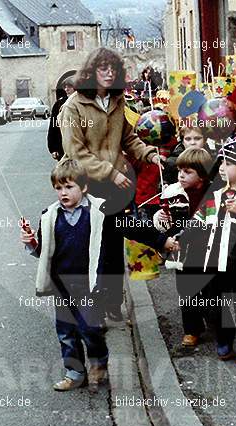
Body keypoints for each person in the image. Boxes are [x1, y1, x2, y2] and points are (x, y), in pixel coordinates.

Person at [20, 160, 178, 391]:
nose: (63, 193)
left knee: (90, 329)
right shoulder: (49, 216)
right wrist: (32, 242)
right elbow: (44, 251)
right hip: (61, 284)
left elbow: (133, 227)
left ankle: (99, 361)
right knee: (66, 331)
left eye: (69, 187)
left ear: (83, 188)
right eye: (58, 188)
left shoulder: (102, 211)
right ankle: (74, 373)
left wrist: (163, 241)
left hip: (89, 284)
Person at [59, 47, 164, 322]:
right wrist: (110, 172)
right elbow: (75, 152)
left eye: (113, 68)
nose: (109, 73)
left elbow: (128, 138)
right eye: (102, 68)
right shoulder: (73, 106)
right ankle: (92, 305)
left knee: (115, 244)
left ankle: (113, 302)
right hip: (88, 186)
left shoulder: (118, 102)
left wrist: (149, 154)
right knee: (94, 247)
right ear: (91, 72)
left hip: (118, 187)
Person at [182, 135, 236, 365]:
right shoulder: (216, 190)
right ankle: (224, 339)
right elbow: (201, 217)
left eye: (228, 163)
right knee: (214, 302)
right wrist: (184, 236)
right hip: (215, 256)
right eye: (220, 162)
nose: (221, 168)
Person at [153, 148, 215, 347]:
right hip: (181, 252)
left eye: (188, 172)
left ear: (202, 176)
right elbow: (166, 223)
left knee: (210, 290)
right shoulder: (173, 192)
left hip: (206, 251)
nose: (181, 175)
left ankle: (214, 321)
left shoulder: (211, 194)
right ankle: (192, 329)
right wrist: (160, 219)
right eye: (180, 170)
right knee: (187, 291)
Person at [48, 77, 75, 160]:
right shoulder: (59, 104)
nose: (66, 89)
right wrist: (53, 148)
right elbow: (53, 127)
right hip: (62, 144)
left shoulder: (84, 102)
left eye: (69, 87)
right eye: (65, 87)